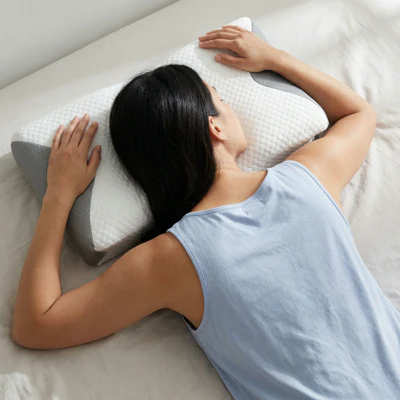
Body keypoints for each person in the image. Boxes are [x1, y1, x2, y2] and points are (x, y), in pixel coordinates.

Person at [11, 24, 400, 399]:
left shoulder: (167, 260)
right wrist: (275, 59)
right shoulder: (307, 178)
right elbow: (358, 114)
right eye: (223, 100)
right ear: (215, 127)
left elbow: (36, 324)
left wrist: (59, 196)